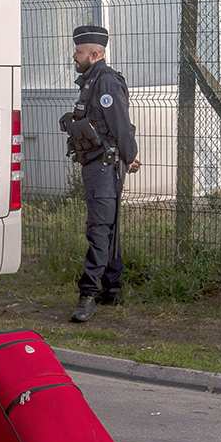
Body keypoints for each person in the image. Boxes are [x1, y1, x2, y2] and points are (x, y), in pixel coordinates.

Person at [60, 25, 140, 323]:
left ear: (95, 54)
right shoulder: (92, 81)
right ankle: (113, 287)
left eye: (79, 52)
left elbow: (121, 124)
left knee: (99, 229)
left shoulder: (105, 82)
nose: (74, 55)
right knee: (108, 226)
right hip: (97, 165)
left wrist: (129, 156)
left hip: (104, 167)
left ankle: (88, 295)